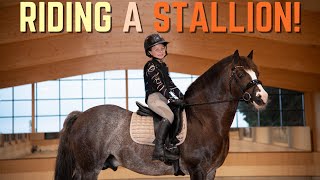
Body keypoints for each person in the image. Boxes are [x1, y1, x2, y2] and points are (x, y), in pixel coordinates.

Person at [143, 34, 184, 161]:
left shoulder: (163, 66)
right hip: (155, 98)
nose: (160, 51)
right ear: (150, 52)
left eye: (162, 48)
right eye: (156, 49)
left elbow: (170, 85)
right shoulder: (151, 66)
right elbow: (160, 85)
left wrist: (183, 96)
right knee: (169, 116)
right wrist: (171, 98)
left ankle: (171, 143)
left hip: (164, 98)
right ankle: (158, 150)